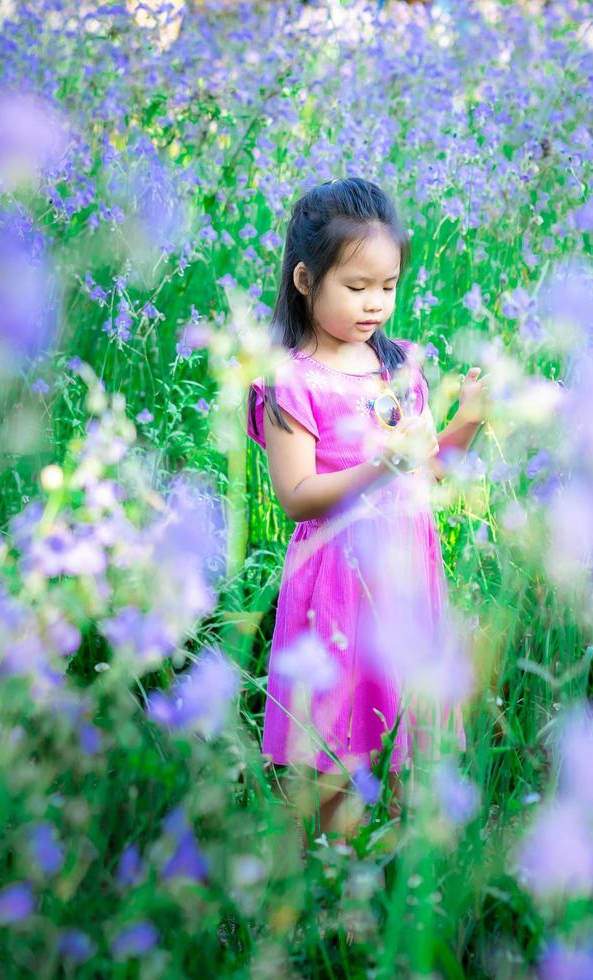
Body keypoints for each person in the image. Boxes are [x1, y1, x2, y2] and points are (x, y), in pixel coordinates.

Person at [245, 177, 487, 847]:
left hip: (406, 573)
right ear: (305, 278)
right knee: (334, 736)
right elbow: (297, 496)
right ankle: (329, 876)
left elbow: (430, 469)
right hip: (335, 581)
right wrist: (387, 464)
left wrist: (467, 424)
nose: (375, 304)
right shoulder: (291, 380)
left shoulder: (402, 364)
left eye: (388, 286)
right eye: (356, 287)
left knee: (409, 725)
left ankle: (403, 883)